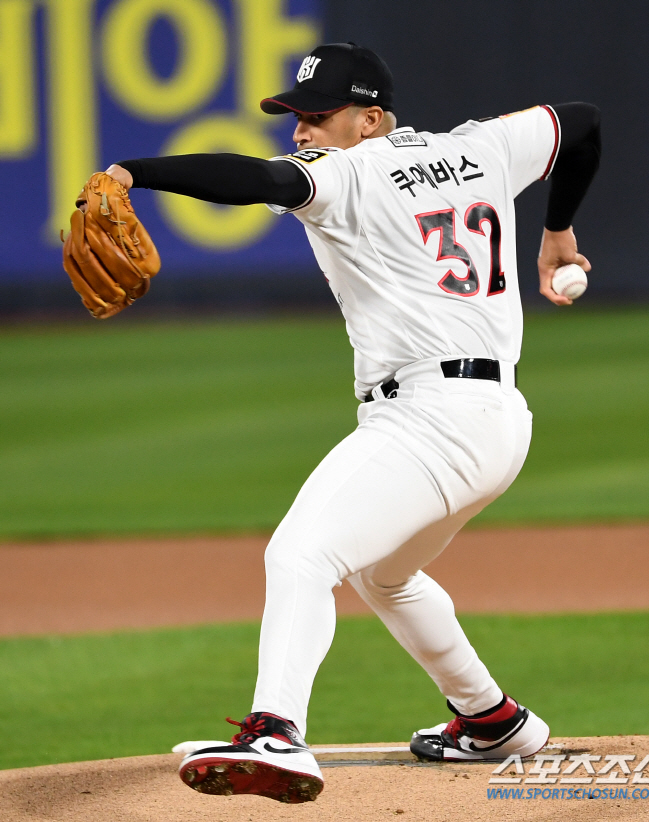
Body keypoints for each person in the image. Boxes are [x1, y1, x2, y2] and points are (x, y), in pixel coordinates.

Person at [107, 42, 601, 804]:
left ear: (370, 120)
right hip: (500, 422)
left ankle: (276, 731)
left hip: (430, 420)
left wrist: (133, 172)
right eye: (296, 116)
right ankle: (492, 718)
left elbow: (259, 179)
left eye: (316, 115)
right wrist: (558, 230)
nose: (300, 131)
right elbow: (583, 124)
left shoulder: (351, 173)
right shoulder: (483, 147)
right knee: (384, 576)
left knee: (300, 554)